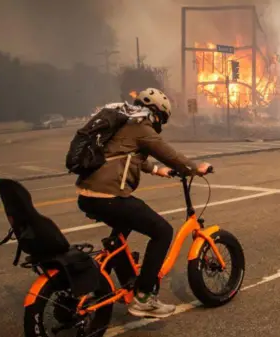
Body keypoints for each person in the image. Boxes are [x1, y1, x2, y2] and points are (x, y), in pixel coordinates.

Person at [75, 88, 212, 318]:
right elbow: (168, 153)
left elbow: (128, 155)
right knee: (162, 231)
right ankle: (144, 297)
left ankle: (125, 276)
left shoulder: (126, 123)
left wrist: (159, 171)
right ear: (156, 113)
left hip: (88, 194)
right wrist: (194, 168)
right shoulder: (141, 126)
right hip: (109, 195)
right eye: (161, 119)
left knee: (123, 225)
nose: (159, 124)